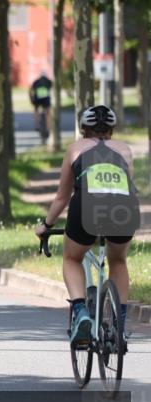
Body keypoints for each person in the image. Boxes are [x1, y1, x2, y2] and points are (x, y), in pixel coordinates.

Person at [34, 105, 137, 343]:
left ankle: (80, 312)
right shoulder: (125, 149)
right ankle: (119, 325)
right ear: (111, 130)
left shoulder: (75, 149)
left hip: (86, 207)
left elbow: (62, 196)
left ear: (83, 129)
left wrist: (47, 226)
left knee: (72, 258)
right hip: (123, 209)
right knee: (118, 260)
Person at [29, 71, 53, 143]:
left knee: (36, 109)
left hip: (37, 98)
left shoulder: (36, 81)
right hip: (45, 98)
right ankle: (48, 127)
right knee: (48, 112)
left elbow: (31, 90)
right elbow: (52, 89)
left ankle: (36, 124)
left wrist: (31, 99)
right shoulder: (48, 81)